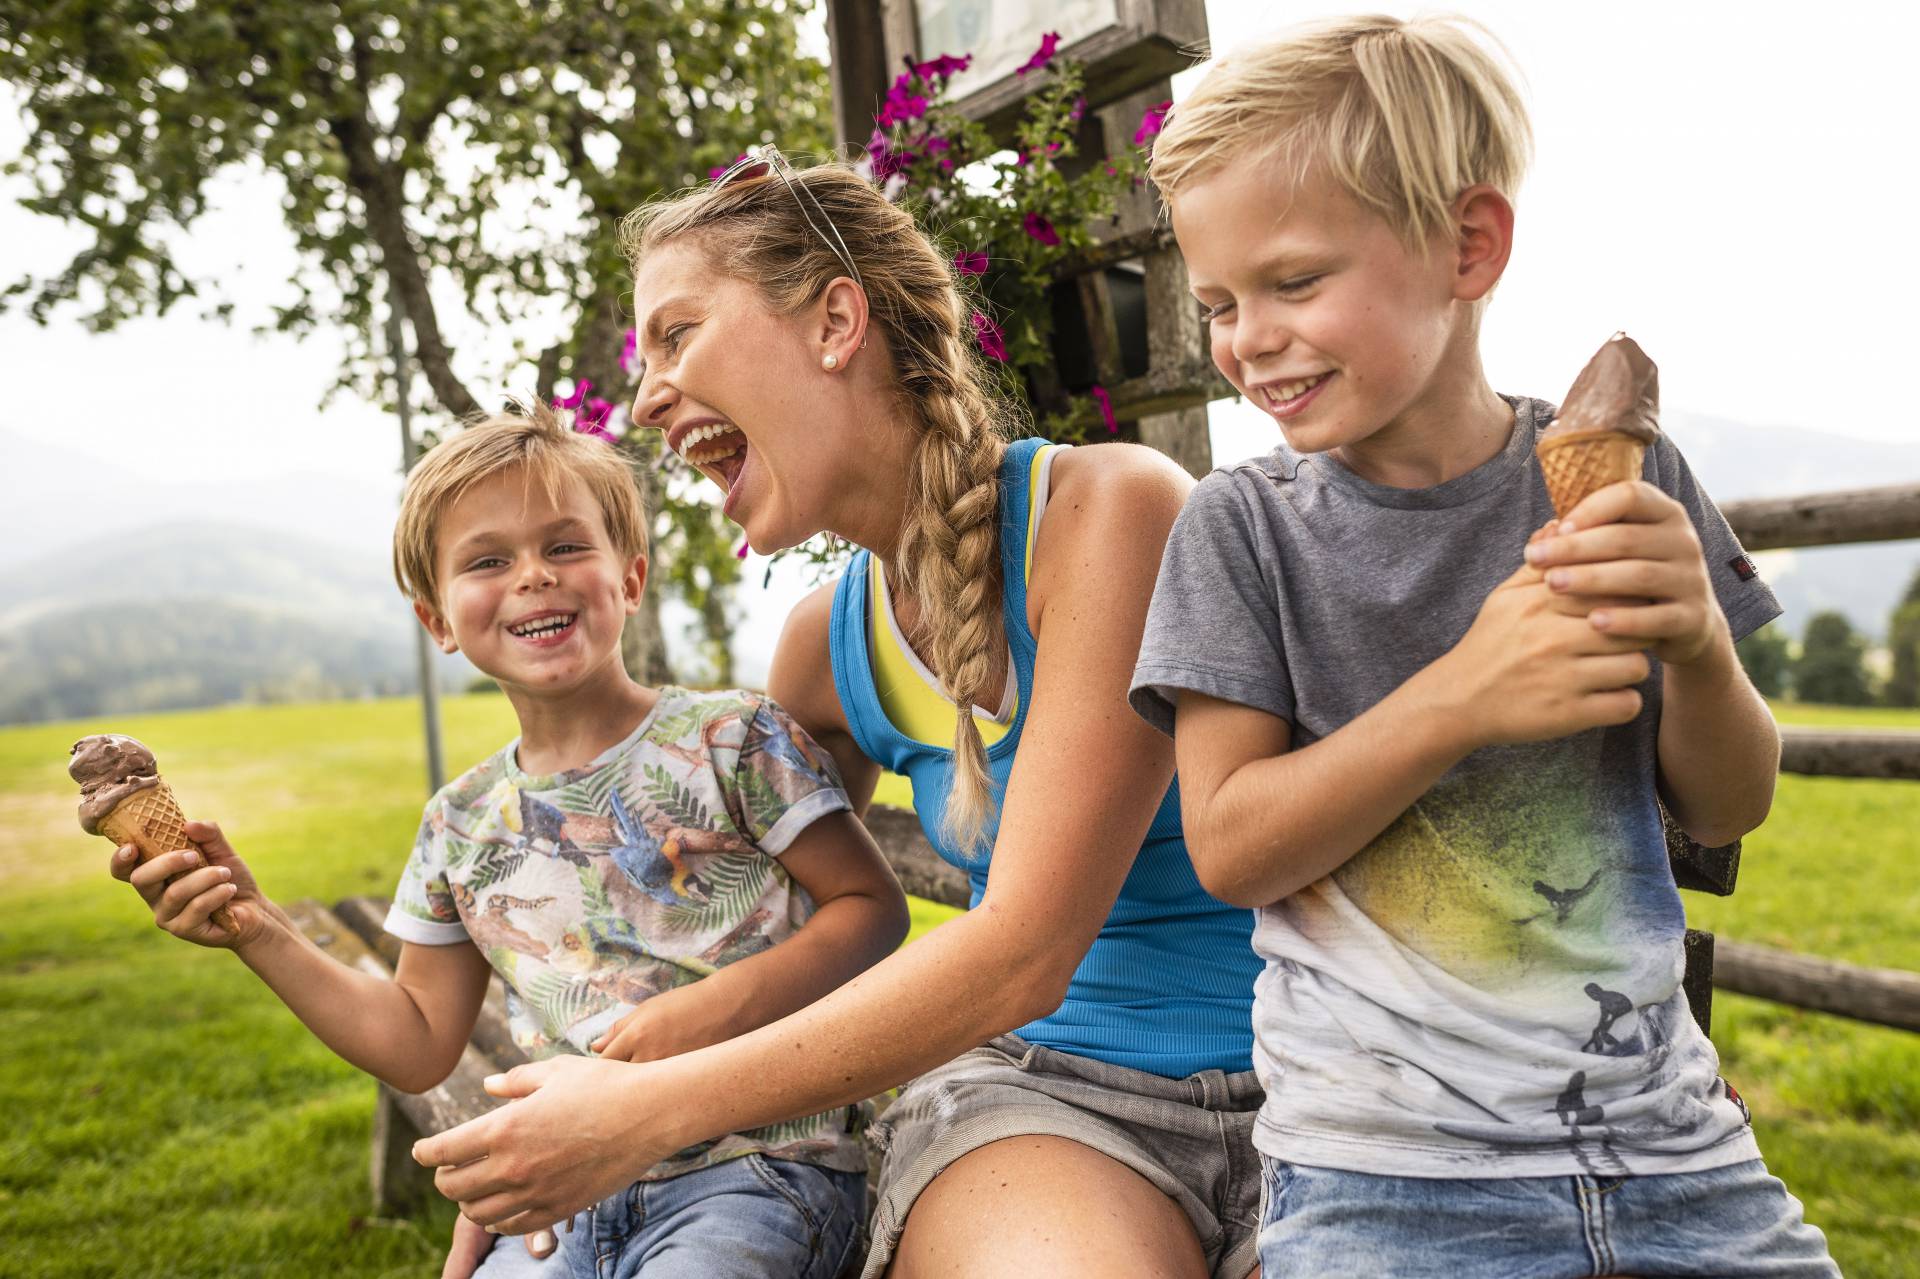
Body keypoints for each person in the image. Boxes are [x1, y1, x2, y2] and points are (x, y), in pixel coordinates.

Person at [413, 152, 1268, 1279]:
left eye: (677, 335)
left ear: (834, 321)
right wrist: (552, 1133)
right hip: (1049, 1109)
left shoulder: (1108, 512)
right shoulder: (829, 647)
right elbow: (725, 946)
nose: (645, 397)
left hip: (1320, 1084)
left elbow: (1023, 950)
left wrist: (634, 1114)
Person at [1128, 15, 1838, 1277]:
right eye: (1221, 304)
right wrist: (1459, 698)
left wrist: (1700, 652)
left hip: (1673, 1148)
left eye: (1293, 283)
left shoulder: (1627, 479)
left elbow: (1734, 798)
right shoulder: (1242, 531)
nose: (1250, 340)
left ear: (1469, 244)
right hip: (1382, 1176)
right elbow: (1231, 844)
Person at [109, 403, 908, 1279]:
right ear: (439, 621)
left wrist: (702, 1011)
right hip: (564, 1191)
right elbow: (416, 1038)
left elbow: (870, 910)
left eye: (566, 546)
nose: (535, 576)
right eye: (489, 560)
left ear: (630, 578)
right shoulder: (458, 821)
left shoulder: (734, 739)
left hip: (758, 1173)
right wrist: (256, 926)